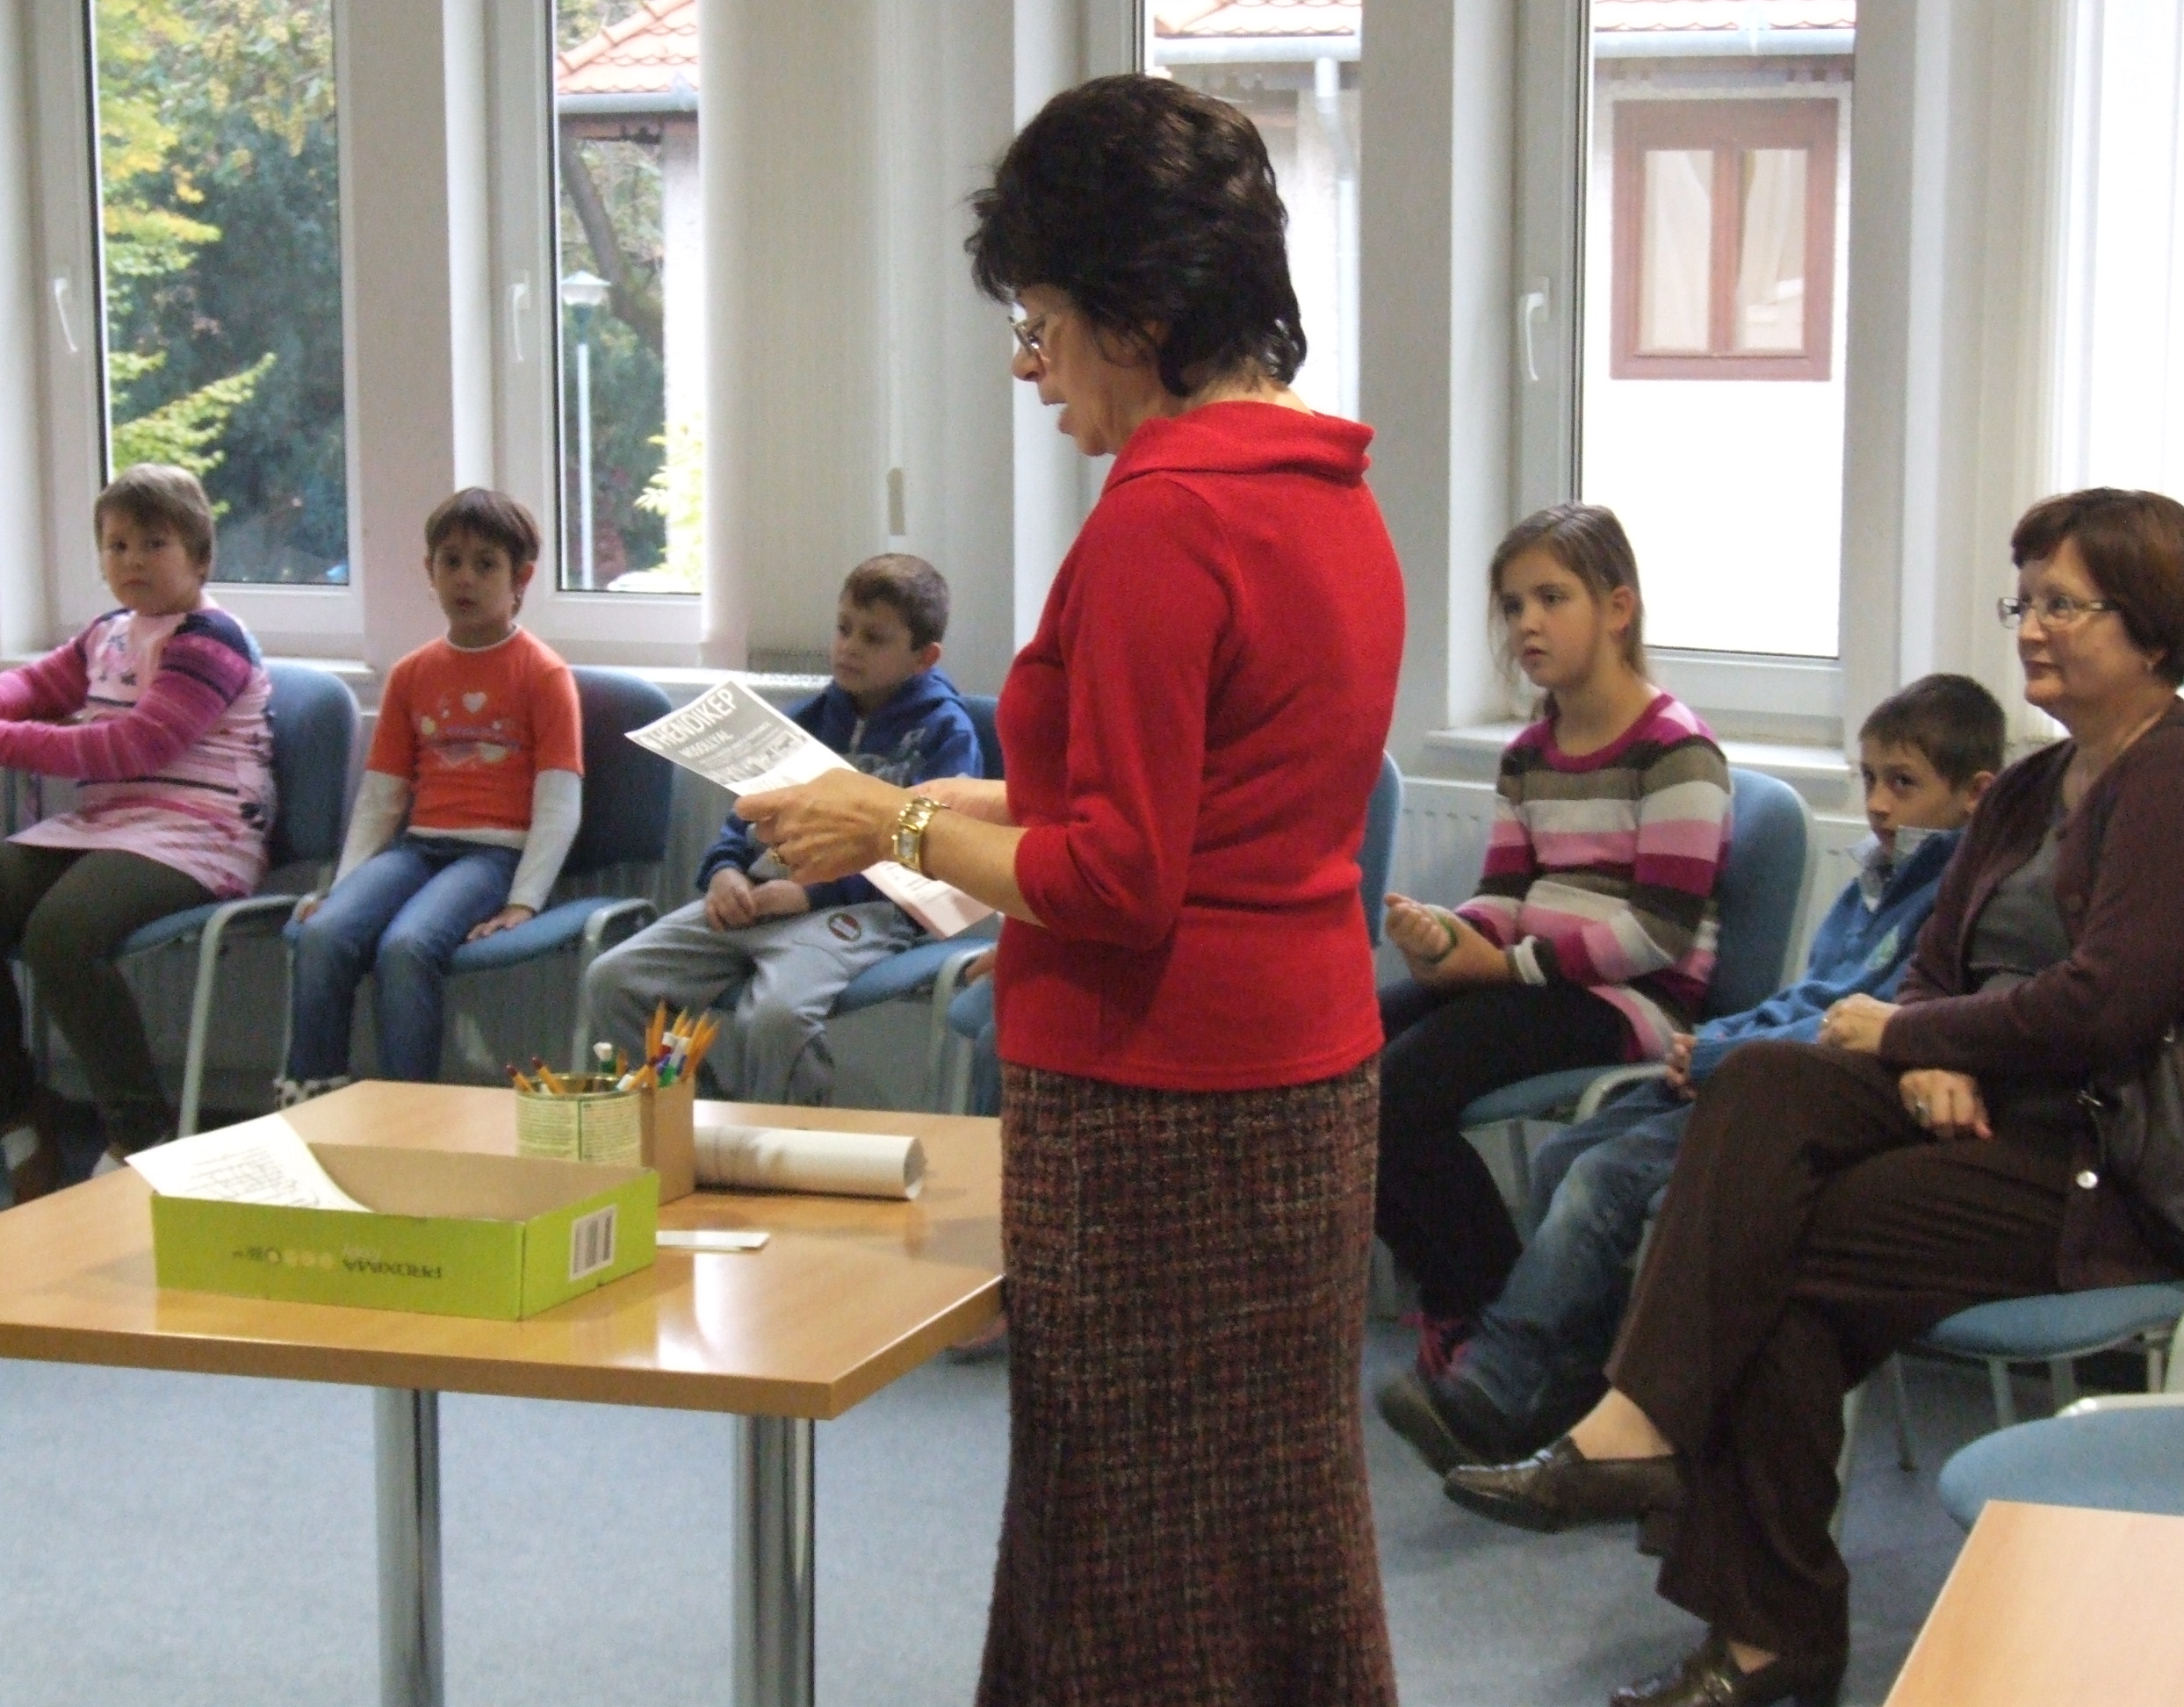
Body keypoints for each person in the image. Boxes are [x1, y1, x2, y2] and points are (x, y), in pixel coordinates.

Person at [737, 75, 1405, 1706]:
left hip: (1157, 1102)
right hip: (1297, 1079)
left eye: (1041, 323)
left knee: (1127, 1549)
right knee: (1266, 1529)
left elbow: (1115, 873)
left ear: (1141, 313)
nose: (1029, 368)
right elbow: (1177, 797)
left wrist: (892, 819)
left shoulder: (1164, 521)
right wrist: (911, 807)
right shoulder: (1327, 492)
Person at [1464, 488, 2184, 1707]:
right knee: (1767, 1084)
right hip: (1996, 1118)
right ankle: (1657, 1451)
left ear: (2153, 629)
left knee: (1774, 1261)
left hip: (2120, 1169)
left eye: (2064, 605)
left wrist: (1923, 1036)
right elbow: (1938, 962)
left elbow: (2106, 1005)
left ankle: (1752, 1610)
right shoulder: (2029, 790)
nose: (2031, 627)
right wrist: (1935, 1047)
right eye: (2024, 602)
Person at [1377, 674, 2002, 1481]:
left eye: (1904, 784)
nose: (1878, 804)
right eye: (1870, 779)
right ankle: (1581, 1384)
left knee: (1601, 1176)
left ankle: (1496, 1384)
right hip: (1743, 1063)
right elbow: (1807, 998)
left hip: (1803, 1096)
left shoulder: (1953, 900)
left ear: (1976, 796)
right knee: (1565, 1157)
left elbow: (1857, 1028)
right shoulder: (1875, 883)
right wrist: (1719, 1039)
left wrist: (1717, 1054)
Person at [1375, 504, 1731, 1381]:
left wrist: (1502, 966)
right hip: (1533, 979)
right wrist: (1450, 935)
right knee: (1343, 1056)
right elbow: (1505, 894)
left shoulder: (1677, 750)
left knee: (1400, 1088)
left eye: (1551, 598)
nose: (1527, 623)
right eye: (1512, 605)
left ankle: (1492, 1316)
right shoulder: (1530, 753)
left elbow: (1659, 932)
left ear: (1618, 609)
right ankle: (1479, 1298)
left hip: (1630, 1001)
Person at [580, 555, 981, 1102]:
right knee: (615, 979)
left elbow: (929, 856)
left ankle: (782, 1145)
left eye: (874, 638)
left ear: (923, 657)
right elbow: (745, 815)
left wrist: (810, 894)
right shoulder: (804, 719)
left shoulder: (944, 734)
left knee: (775, 1017)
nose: (849, 647)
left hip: (863, 908)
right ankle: (693, 1122)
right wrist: (724, 871)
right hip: (760, 896)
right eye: (843, 628)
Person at [0, 465, 274, 1196]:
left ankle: (140, 1133)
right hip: (106, 824)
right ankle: (20, 1118)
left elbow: (135, 746)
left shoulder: (212, 640)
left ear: (200, 558)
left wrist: (7, 739)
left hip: (200, 833)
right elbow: (33, 686)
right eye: (117, 545)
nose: (133, 560)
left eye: (155, 544)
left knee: (61, 934)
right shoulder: (108, 632)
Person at [279, 490, 580, 1098]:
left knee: (406, 947)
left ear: (521, 579)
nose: (465, 578)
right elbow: (381, 799)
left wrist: (524, 901)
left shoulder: (543, 674)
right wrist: (343, 887)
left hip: (493, 857)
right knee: (323, 933)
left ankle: (409, 1114)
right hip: (419, 849)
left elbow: (558, 803)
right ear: (430, 571)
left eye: (486, 564)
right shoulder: (412, 673)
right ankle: (311, 1102)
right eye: (451, 562)